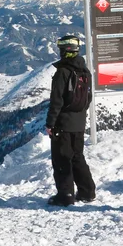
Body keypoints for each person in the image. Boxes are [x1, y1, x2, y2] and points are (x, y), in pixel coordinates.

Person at [45, 34, 96, 207]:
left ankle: (65, 195)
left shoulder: (63, 72)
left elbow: (57, 101)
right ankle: (87, 191)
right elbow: (88, 98)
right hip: (79, 123)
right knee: (77, 157)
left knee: (61, 159)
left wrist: (50, 123)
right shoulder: (84, 71)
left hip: (63, 124)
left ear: (64, 50)